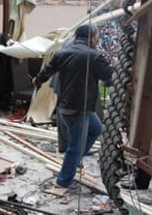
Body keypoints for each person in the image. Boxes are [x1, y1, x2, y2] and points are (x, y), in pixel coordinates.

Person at [32, 24, 113, 189]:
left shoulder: (61, 53)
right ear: (93, 39)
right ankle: (64, 180)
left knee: (96, 129)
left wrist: (36, 81)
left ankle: (75, 161)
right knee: (74, 147)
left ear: (75, 36)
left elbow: (46, 71)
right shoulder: (95, 56)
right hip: (79, 109)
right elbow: (109, 78)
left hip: (67, 107)